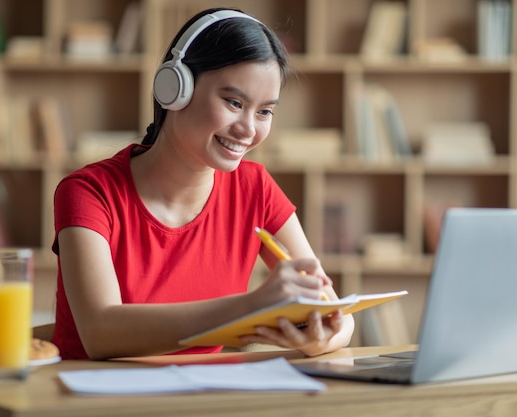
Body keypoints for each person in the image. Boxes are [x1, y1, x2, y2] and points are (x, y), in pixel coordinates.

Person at [51, 7, 355, 360]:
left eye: (264, 111)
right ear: (175, 88)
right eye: (234, 102)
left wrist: (321, 338)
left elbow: (337, 314)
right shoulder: (89, 192)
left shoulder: (255, 188)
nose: (248, 129)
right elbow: (100, 332)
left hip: (199, 398)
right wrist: (251, 306)